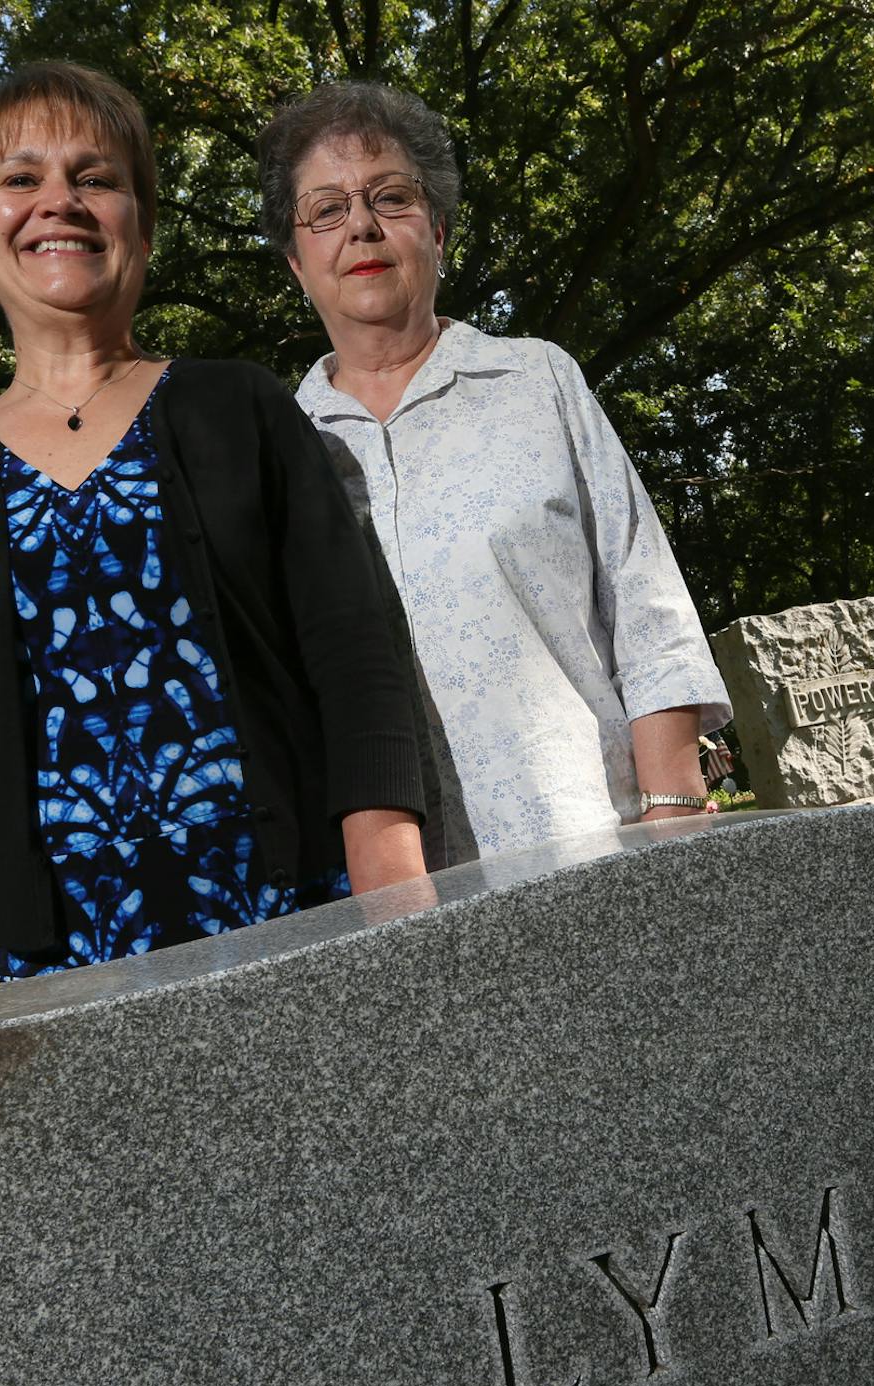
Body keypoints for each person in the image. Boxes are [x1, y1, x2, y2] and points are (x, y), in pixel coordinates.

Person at [0, 61, 427, 1132]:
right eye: (19, 178)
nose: (60, 202)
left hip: (289, 926)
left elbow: (354, 655)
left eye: (96, 175)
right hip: (54, 978)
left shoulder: (242, 409)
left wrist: (395, 907)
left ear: (141, 221)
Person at [258, 83, 734, 867]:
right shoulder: (278, 448)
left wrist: (674, 814)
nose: (363, 227)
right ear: (295, 260)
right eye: (328, 210)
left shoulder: (536, 381)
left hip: (591, 844)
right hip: (388, 898)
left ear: (438, 230)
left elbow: (647, 605)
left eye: (391, 196)